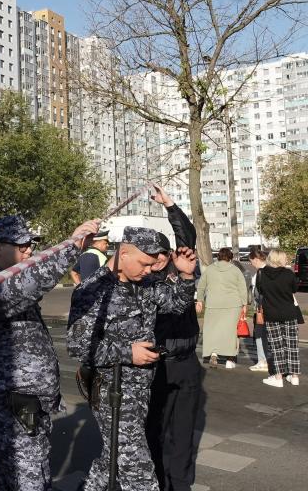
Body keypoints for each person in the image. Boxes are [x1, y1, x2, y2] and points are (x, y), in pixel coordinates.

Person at [0, 215, 101, 491]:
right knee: (29, 482)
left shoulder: (8, 280)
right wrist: (72, 246)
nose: (29, 249)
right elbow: (33, 282)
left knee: (13, 480)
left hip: (25, 404)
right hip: (6, 405)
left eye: (31, 244)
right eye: (22, 245)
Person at [67, 226, 197, 491]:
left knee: (111, 460)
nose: (149, 270)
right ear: (123, 253)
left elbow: (176, 304)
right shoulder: (93, 290)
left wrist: (185, 276)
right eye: (144, 263)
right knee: (140, 476)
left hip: (140, 390)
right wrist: (128, 352)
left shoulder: (145, 284)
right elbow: (77, 346)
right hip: (112, 393)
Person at [144, 184, 203, 491]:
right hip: (155, 365)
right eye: (148, 256)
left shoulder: (184, 269)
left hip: (186, 363)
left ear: (167, 255)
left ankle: (179, 485)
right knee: (153, 430)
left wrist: (170, 206)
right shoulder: (144, 281)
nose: (154, 261)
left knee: (182, 434)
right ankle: (155, 482)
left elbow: (187, 239)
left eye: (158, 255)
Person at [196, 248, 248, 368]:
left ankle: (213, 352)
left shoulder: (210, 269)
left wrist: (200, 300)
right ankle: (230, 360)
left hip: (213, 304)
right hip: (233, 304)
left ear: (218, 257)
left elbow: (201, 286)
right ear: (230, 257)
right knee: (230, 332)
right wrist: (244, 304)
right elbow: (242, 288)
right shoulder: (235, 270)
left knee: (212, 330)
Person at [258, 249, 302, 387]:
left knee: (276, 347)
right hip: (289, 312)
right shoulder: (288, 274)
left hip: (271, 314)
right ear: (281, 259)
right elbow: (294, 289)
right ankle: (294, 376)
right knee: (292, 345)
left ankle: (278, 378)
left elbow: (260, 291)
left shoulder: (262, 273)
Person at [248, 249, 270, 372]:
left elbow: (259, 293)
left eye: (251, 261)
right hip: (271, 308)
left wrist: (257, 307)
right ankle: (266, 359)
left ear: (256, 259)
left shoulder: (260, 273)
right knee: (267, 335)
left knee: (259, 335)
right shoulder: (272, 269)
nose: (251, 264)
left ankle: (262, 361)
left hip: (262, 308)